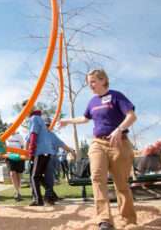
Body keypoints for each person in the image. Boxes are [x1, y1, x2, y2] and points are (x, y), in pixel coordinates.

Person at [60, 69, 137, 230]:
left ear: (103, 80)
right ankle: (104, 220)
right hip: (97, 143)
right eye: (89, 83)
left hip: (119, 143)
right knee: (97, 178)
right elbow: (84, 118)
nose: (91, 86)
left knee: (121, 183)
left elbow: (132, 116)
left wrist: (119, 129)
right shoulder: (92, 101)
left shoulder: (117, 96)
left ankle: (128, 220)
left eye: (93, 82)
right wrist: (67, 120)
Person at [25, 103, 53, 206]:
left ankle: (38, 200)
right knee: (39, 176)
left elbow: (33, 134)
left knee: (34, 177)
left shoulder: (34, 118)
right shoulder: (39, 118)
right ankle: (51, 194)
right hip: (47, 151)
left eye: (25, 109)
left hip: (40, 151)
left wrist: (31, 151)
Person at [44, 128, 76, 204]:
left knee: (47, 178)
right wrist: (71, 151)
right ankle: (49, 197)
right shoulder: (46, 134)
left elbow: (61, 144)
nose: (47, 126)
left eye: (48, 125)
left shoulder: (51, 135)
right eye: (46, 125)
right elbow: (62, 144)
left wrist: (71, 151)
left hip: (49, 157)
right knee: (47, 179)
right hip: (47, 157)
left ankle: (51, 196)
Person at [5, 128, 26, 202]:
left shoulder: (19, 136)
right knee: (12, 173)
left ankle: (18, 191)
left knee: (19, 174)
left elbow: (23, 146)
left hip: (19, 156)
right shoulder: (6, 136)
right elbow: (3, 145)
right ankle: (17, 192)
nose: (11, 130)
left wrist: (23, 156)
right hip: (10, 156)